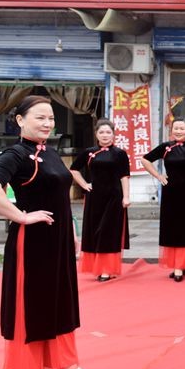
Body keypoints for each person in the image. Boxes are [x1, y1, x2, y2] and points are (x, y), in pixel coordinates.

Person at [0, 95, 100, 369]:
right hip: (31, 244)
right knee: (32, 307)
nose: (47, 124)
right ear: (20, 120)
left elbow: (59, 197)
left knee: (61, 301)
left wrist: (70, 231)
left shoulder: (52, 153)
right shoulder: (15, 155)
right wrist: (20, 216)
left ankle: (66, 365)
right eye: (40, 118)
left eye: (51, 119)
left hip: (58, 242)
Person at [141, 118, 185, 282]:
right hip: (171, 193)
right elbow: (145, 159)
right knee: (172, 228)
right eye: (176, 128)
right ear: (172, 130)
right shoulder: (165, 147)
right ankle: (178, 264)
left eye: (182, 128)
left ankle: (180, 267)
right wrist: (158, 176)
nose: (178, 131)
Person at [69, 119, 131, 282]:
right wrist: (84, 185)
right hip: (94, 197)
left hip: (114, 197)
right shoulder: (89, 152)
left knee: (108, 232)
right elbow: (74, 169)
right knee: (94, 231)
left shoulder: (120, 153)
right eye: (101, 132)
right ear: (96, 134)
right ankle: (96, 267)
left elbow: (124, 176)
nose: (105, 135)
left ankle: (107, 269)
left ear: (114, 134)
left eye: (108, 132)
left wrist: (126, 196)